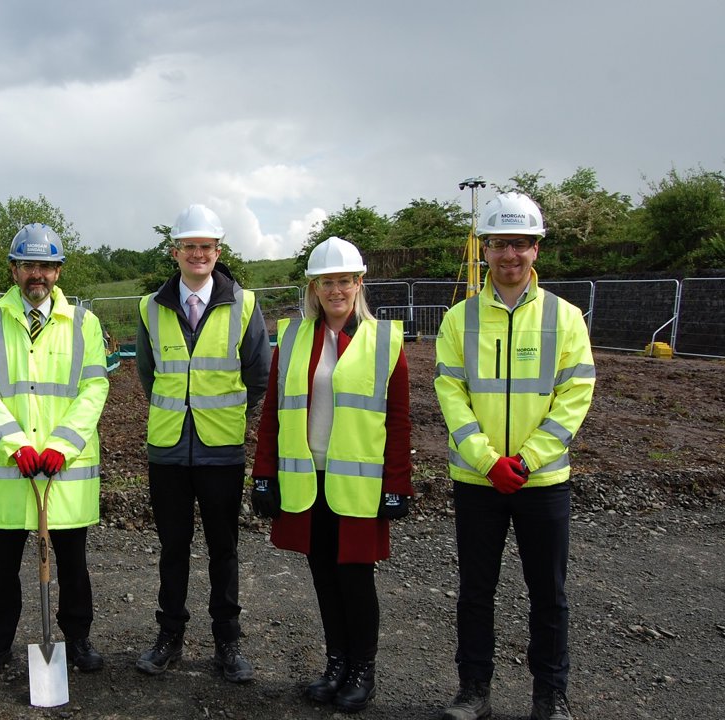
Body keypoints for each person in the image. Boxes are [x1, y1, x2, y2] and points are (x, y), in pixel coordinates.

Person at [435, 192, 595, 720]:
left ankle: (550, 696)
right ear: (484, 250)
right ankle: (473, 690)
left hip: (543, 482)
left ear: (536, 250)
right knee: (476, 591)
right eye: (500, 244)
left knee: (548, 594)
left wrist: (526, 460)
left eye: (520, 244)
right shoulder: (459, 320)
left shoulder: (566, 318)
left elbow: (575, 396)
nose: (510, 255)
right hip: (478, 482)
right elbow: (451, 396)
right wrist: (488, 461)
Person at [250, 236, 413, 713]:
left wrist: (398, 484)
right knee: (323, 575)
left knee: (356, 580)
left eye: (345, 280)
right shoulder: (295, 338)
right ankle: (336, 662)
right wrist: (264, 475)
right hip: (307, 479)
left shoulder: (384, 340)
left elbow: (399, 419)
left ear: (359, 283)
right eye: (327, 282)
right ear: (313, 287)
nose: (336, 289)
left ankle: (363, 670)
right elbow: (275, 413)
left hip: (359, 484)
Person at [0, 224, 110, 680]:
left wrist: (64, 444)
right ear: (14, 269)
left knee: (73, 563)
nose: (36, 274)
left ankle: (78, 640)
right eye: (28, 265)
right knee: (2, 565)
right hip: (12, 471)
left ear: (58, 270)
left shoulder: (84, 323)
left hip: (66, 472)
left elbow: (94, 387)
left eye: (45, 265)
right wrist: (15, 444)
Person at [135, 204, 270, 683]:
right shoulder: (151, 307)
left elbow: (258, 374)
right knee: (173, 547)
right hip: (169, 450)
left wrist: (227, 414)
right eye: (189, 246)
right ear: (175, 252)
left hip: (221, 449)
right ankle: (169, 635)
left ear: (218, 251)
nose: (198, 254)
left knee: (223, 548)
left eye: (206, 247)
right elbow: (149, 374)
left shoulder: (244, 305)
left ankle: (227, 643)